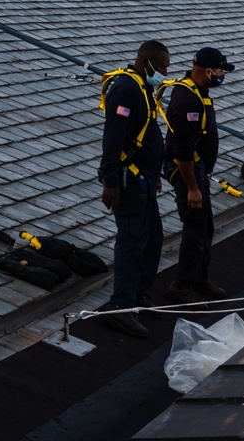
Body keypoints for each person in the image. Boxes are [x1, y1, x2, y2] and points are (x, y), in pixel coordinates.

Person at [98, 39, 170, 337]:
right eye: (162, 66)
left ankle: (138, 293)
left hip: (145, 179)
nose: (165, 72)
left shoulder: (144, 88)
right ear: (146, 61)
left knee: (153, 237)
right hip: (128, 181)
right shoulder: (127, 89)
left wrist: (154, 174)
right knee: (131, 239)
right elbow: (113, 138)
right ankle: (120, 306)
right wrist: (111, 181)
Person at [163, 46, 231, 302]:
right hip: (188, 174)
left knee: (205, 227)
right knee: (194, 227)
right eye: (221, 70)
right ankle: (181, 284)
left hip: (198, 173)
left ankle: (200, 276)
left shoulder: (200, 92)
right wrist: (192, 188)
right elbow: (182, 150)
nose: (223, 74)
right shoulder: (186, 99)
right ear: (207, 70)